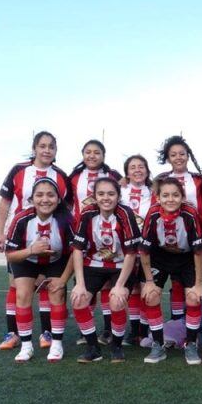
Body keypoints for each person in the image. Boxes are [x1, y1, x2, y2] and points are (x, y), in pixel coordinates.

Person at [0, 131, 71, 352]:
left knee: (49, 283)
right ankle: (13, 333)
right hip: (21, 236)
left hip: (51, 237)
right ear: (34, 148)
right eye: (42, 146)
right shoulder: (19, 170)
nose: (47, 150)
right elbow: (5, 202)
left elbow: (67, 208)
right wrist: (0, 232)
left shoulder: (61, 175)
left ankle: (47, 332)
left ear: (56, 151)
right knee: (17, 285)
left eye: (51, 147)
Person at [70, 176, 142, 363]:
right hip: (94, 263)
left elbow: (131, 253)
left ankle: (116, 346)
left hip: (121, 265)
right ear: (94, 196)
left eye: (111, 193)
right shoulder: (87, 213)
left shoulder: (125, 214)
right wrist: (79, 284)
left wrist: (119, 286)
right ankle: (93, 347)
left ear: (118, 196)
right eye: (101, 194)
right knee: (78, 299)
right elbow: (77, 250)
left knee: (117, 300)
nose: (106, 198)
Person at [4, 177, 73, 363]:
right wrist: (31, 250)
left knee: (57, 293)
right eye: (39, 195)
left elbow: (76, 253)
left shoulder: (66, 220)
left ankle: (57, 343)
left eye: (51, 195)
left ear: (58, 199)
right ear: (32, 199)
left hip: (56, 260)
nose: (45, 199)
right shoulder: (21, 219)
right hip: (27, 259)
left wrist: (63, 280)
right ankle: (27, 346)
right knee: (22, 294)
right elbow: (10, 255)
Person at [139, 177, 202, 365]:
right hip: (160, 257)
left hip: (186, 258)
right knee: (151, 296)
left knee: (193, 297)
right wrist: (150, 281)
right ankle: (158, 345)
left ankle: (191, 344)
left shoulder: (190, 214)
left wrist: (199, 284)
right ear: (158, 198)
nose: (170, 199)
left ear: (182, 197)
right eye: (165, 195)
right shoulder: (152, 215)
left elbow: (198, 252)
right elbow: (144, 251)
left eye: (175, 195)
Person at [69, 139, 122, 346]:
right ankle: (86, 332)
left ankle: (108, 330)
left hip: (111, 237)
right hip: (82, 236)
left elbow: (121, 197)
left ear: (103, 155)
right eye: (88, 152)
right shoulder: (73, 177)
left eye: (97, 152)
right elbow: (66, 203)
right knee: (83, 285)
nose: (92, 156)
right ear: (82, 155)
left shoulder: (114, 176)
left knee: (109, 285)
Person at [155, 135, 202, 328]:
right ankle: (177, 323)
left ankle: (198, 326)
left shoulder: (199, 180)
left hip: (194, 239)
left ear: (188, 156)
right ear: (168, 158)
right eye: (173, 154)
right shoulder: (161, 180)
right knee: (175, 282)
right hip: (168, 240)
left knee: (193, 282)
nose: (178, 157)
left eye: (182, 154)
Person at [120, 154, 156, 345]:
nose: (137, 170)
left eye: (141, 166)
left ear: (147, 170)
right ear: (127, 172)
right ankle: (134, 331)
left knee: (146, 286)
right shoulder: (120, 191)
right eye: (133, 167)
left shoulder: (154, 191)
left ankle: (147, 329)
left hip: (149, 247)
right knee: (133, 288)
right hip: (126, 248)